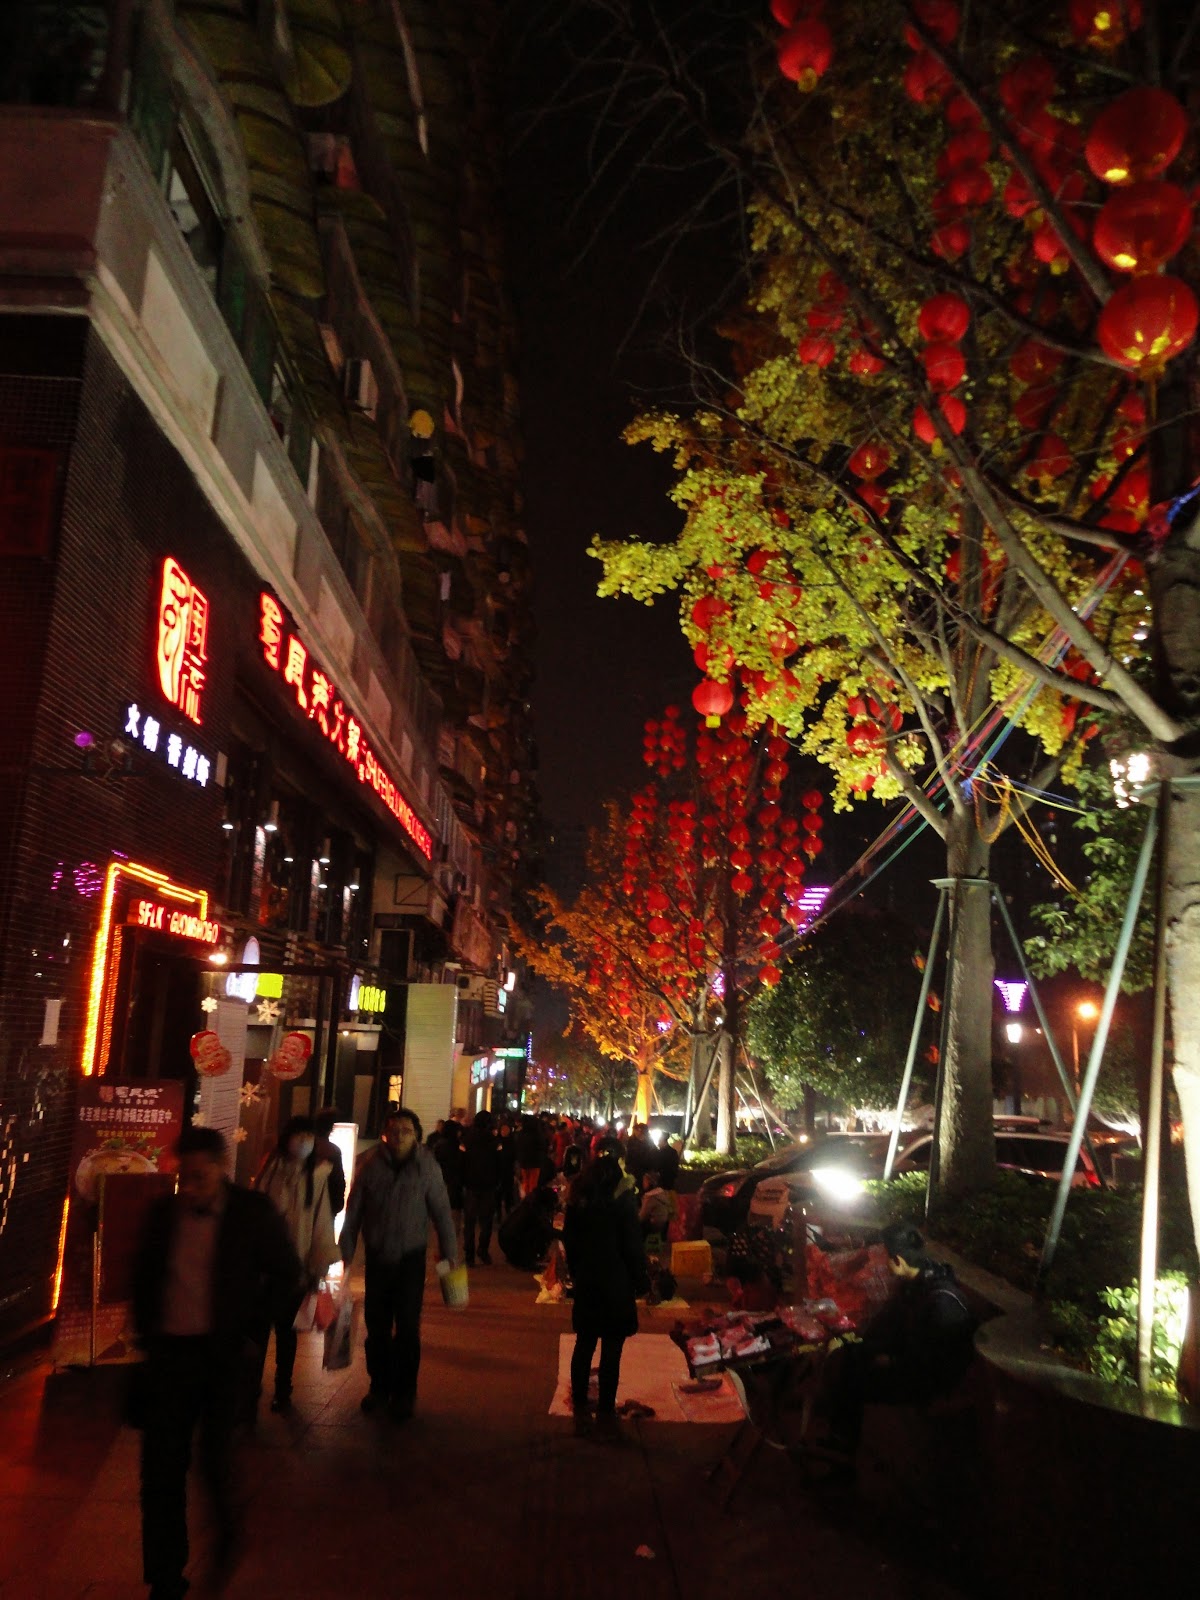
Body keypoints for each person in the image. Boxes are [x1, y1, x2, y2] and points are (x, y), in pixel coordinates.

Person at [131, 1126, 301, 1600]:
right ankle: (165, 1574)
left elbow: (288, 1272)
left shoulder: (252, 1213)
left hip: (222, 1357)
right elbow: (144, 1277)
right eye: (183, 1177)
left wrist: (252, 1332)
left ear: (222, 1169)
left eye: (200, 1177)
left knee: (214, 1460)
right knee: (160, 1470)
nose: (190, 1187)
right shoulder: (163, 1215)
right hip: (169, 1357)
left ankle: (227, 1534)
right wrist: (146, 1339)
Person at [339, 1109, 457, 1421]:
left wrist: (450, 1253)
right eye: (394, 1130)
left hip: (410, 1259)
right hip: (377, 1258)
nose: (399, 1136)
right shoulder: (369, 1165)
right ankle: (379, 1387)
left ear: (416, 1135)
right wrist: (345, 1252)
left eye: (406, 1130)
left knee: (406, 1327)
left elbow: (442, 1212)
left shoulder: (427, 1167)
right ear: (385, 1134)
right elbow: (354, 1211)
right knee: (377, 1327)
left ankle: (404, 1393)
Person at [827, 1221, 976, 1456]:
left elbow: (937, 1361)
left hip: (930, 1380)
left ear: (898, 1261)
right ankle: (840, 1435)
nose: (879, 1263)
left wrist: (890, 1360)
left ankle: (844, 1447)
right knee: (850, 1355)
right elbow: (890, 1321)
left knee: (854, 1377)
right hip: (909, 1355)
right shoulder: (917, 1280)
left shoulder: (942, 1301)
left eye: (882, 1257)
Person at [252, 1115, 338, 1411]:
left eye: (308, 1136)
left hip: (295, 1268)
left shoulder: (318, 1175)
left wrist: (317, 1267)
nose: (303, 1141)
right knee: (258, 1331)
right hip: (265, 1268)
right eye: (298, 1135)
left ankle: (283, 1389)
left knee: (286, 1333)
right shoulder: (269, 1170)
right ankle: (251, 1389)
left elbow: (322, 1224)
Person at [563, 1152, 650, 1442]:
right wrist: (641, 1281)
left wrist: (577, 1273)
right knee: (612, 1351)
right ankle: (605, 1408)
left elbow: (570, 1244)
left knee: (584, 1343)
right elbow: (633, 1248)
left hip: (588, 1282)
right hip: (616, 1284)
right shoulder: (622, 1206)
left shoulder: (578, 1204)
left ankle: (579, 1404)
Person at [461, 1109, 500, 1267]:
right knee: (486, 1220)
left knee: (469, 1221)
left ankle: (469, 1254)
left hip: (471, 1184)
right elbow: (500, 1161)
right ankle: (483, 1250)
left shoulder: (467, 1138)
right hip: (488, 1185)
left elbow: (462, 1160)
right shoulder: (493, 1140)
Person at [497, 1184, 558, 1271]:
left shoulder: (527, 1205)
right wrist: (565, 1235)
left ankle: (523, 1258)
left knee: (538, 1232)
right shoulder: (534, 1211)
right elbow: (547, 1229)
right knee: (540, 1233)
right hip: (512, 1243)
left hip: (505, 1240)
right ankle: (526, 1260)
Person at [312, 1107, 346, 1218]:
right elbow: (338, 1181)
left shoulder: (307, 1148)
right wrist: (337, 1205)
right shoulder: (333, 1151)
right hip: (327, 1206)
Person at [516, 1114, 547, 1197]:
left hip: (524, 1162)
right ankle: (531, 1198)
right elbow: (542, 1147)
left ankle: (526, 1198)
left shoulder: (521, 1134)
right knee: (533, 1183)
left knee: (525, 1182)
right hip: (535, 1162)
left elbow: (518, 1147)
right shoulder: (538, 1134)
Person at [495, 1117, 517, 1218]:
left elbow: (515, 1156)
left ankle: (508, 1210)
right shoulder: (496, 1141)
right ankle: (498, 1212)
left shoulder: (512, 1141)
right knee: (498, 1193)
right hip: (498, 1170)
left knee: (508, 1191)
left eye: (506, 1129)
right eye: (502, 1129)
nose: (504, 1131)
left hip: (509, 1170)